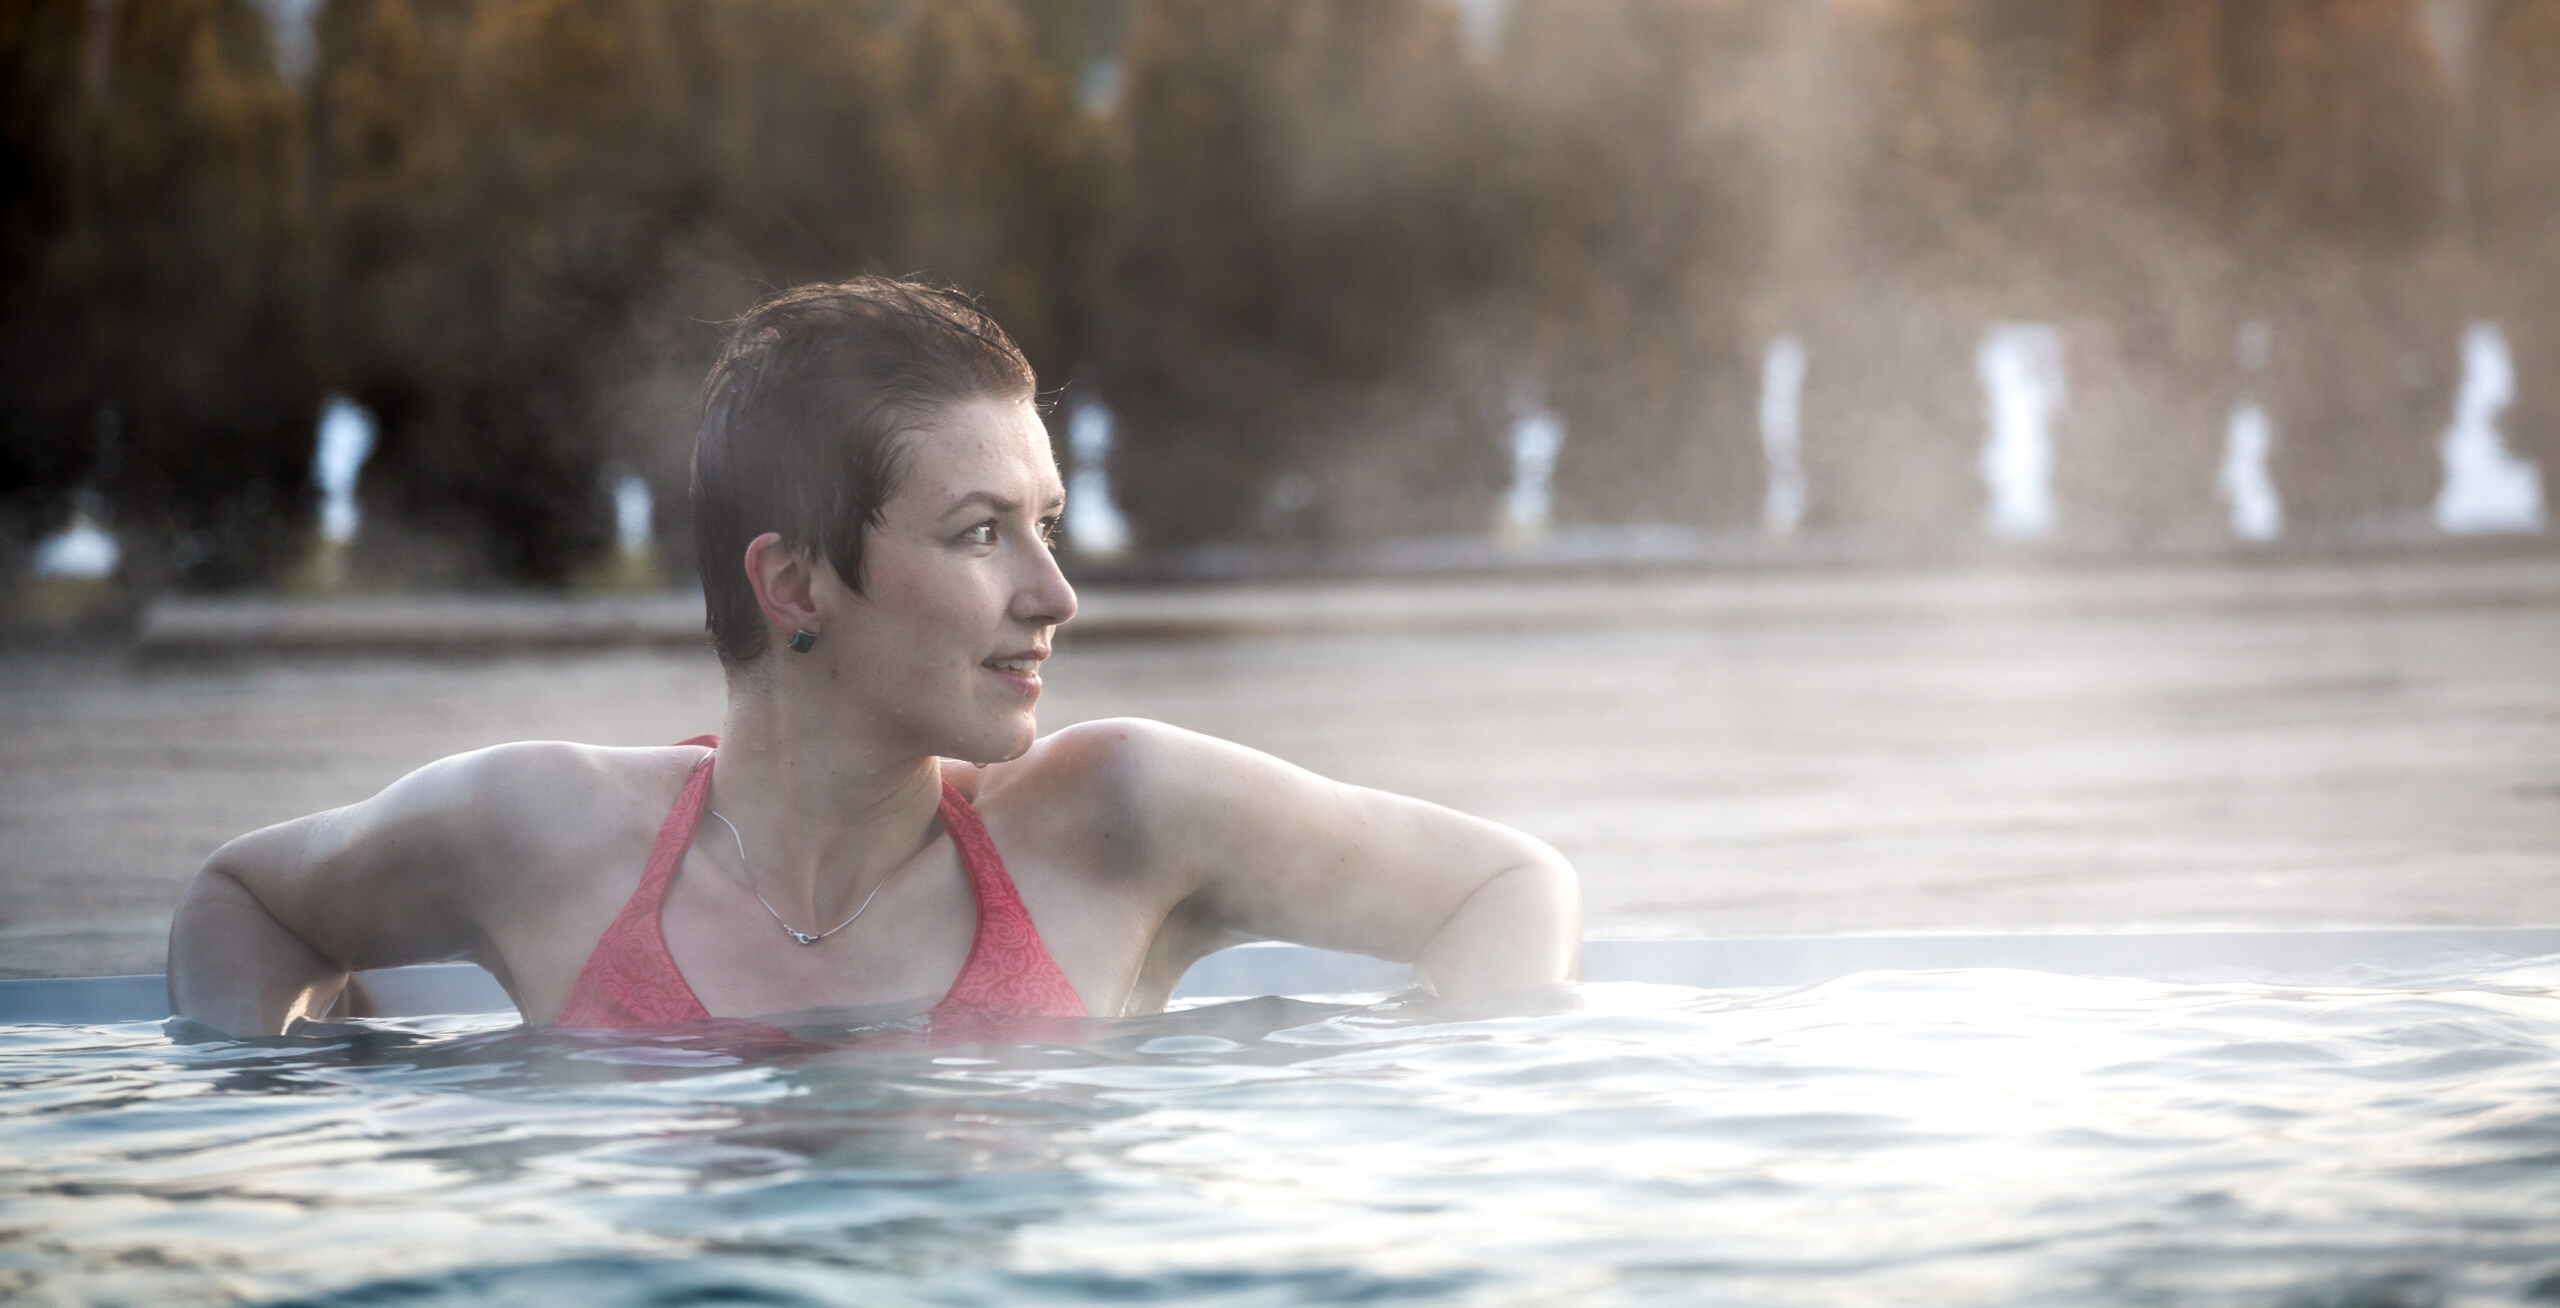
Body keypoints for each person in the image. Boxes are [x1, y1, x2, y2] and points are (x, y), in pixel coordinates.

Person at [168, 279, 1581, 1033]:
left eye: (1048, 526)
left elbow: (1512, 891)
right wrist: (322, 1090)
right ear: (792, 582)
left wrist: (1420, 1108)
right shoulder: (539, 836)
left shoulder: (1122, 823)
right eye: (980, 534)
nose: (1057, 595)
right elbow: (241, 903)